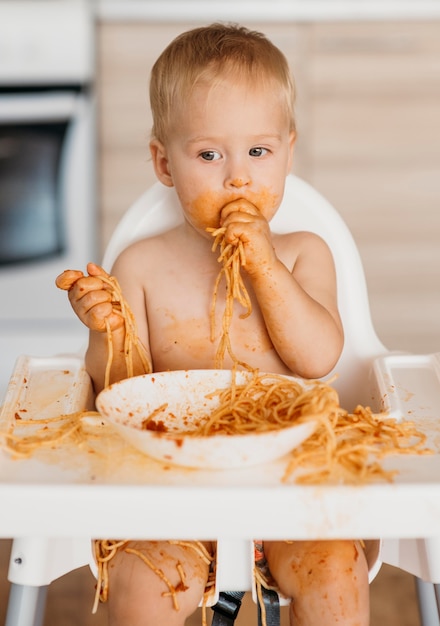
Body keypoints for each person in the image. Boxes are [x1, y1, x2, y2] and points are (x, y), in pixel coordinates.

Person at [58, 23, 373, 626]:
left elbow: (318, 357)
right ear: (164, 162)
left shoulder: (305, 253)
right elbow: (116, 393)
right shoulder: (141, 266)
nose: (237, 177)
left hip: (293, 483)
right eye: (209, 154)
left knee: (335, 573)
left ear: (287, 150)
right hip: (170, 486)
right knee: (144, 584)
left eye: (259, 152)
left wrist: (265, 265)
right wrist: (109, 331)